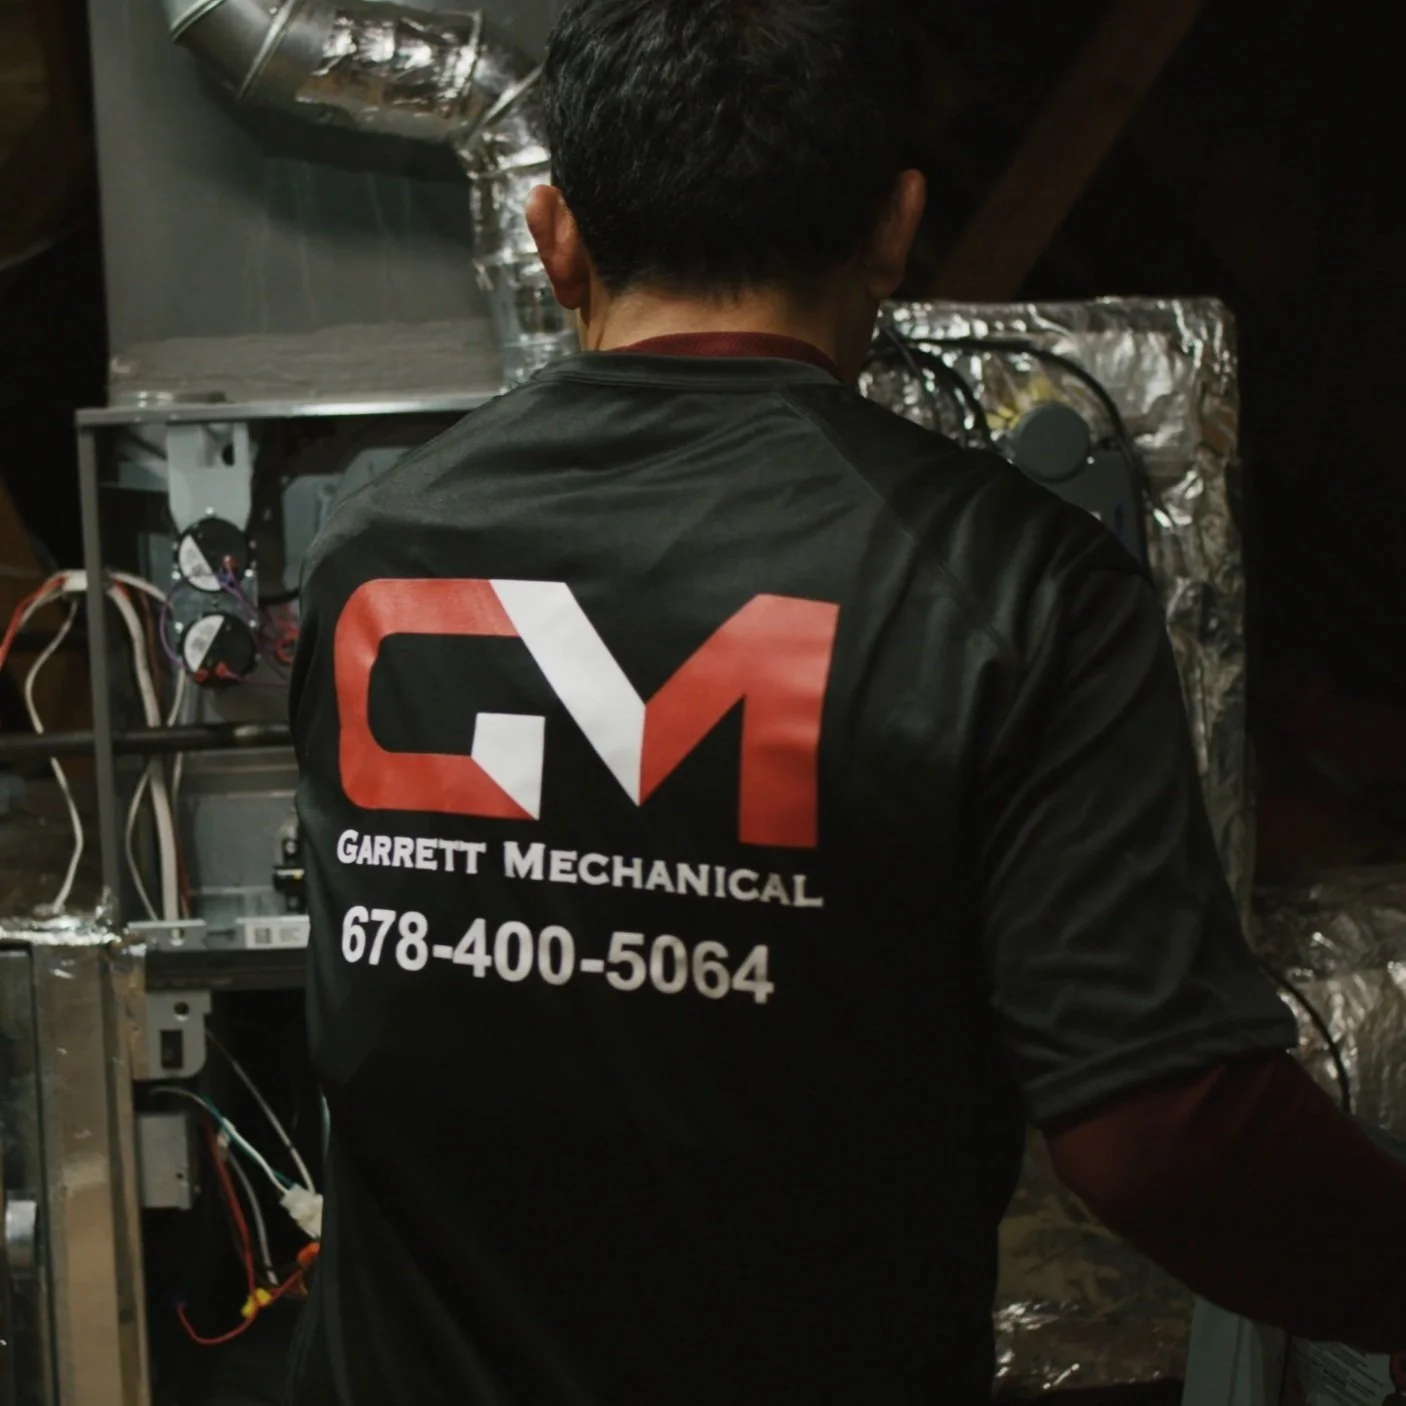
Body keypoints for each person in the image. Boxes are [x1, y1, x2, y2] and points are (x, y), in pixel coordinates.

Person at [286, 1, 1406, 1401]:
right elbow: (1163, 1134)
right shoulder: (1009, 585)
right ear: (893, 225)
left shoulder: (379, 546)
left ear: (552, 233)